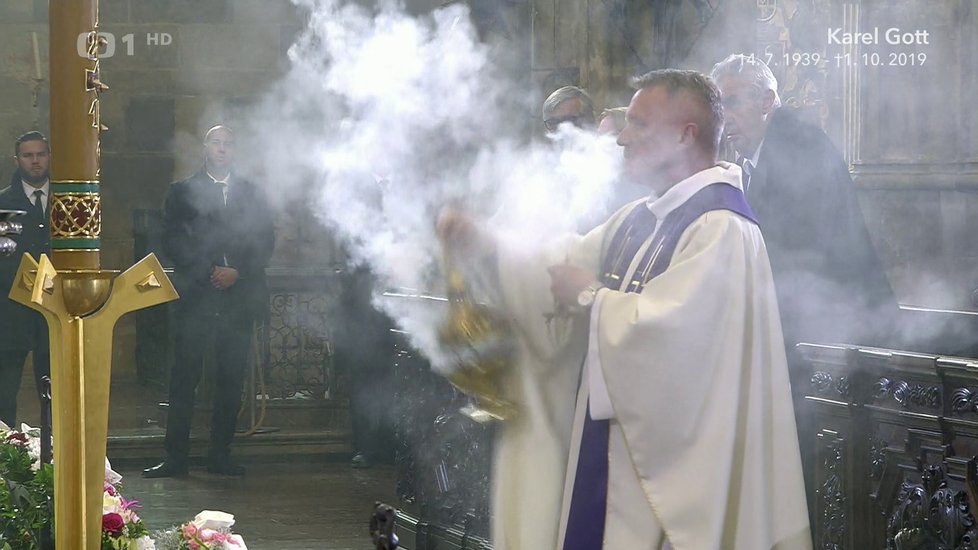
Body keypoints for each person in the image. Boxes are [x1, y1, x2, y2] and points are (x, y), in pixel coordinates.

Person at [439, 70, 810, 549]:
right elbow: (560, 264)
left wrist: (593, 297)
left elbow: (679, 341)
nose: (622, 139)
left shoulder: (722, 227)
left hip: (678, 474)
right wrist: (487, 244)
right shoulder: (642, 217)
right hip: (615, 455)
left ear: (685, 135)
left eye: (638, 125)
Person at [711, 54, 899, 525]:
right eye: (718, 105)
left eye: (731, 103)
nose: (723, 117)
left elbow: (801, 257)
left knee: (816, 472)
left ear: (768, 101)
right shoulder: (748, 158)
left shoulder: (799, 147)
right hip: (795, 330)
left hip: (833, 333)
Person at [143, 125, 275, 478]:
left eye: (229, 143)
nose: (222, 149)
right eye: (216, 142)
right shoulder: (183, 192)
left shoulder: (253, 193)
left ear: (236, 149)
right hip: (196, 298)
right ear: (205, 148)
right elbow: (171, 240)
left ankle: (220, 454)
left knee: (231, 378)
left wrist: (238, 272)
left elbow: (265, 241)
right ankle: (175, 458)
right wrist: (209, 271)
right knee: (184, 378)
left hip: (239, 298)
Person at [0, 131, 52, 427]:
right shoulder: (4, 203)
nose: (35, 161)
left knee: (54, 388)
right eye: (28, 155)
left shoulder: (68, 199)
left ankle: (57, 456)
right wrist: (28, 284)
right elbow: (2, 256)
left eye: (40, 154)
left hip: (54, 309)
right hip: (12, 309)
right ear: (17, 159)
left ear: (48, 156)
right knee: (5, 392)